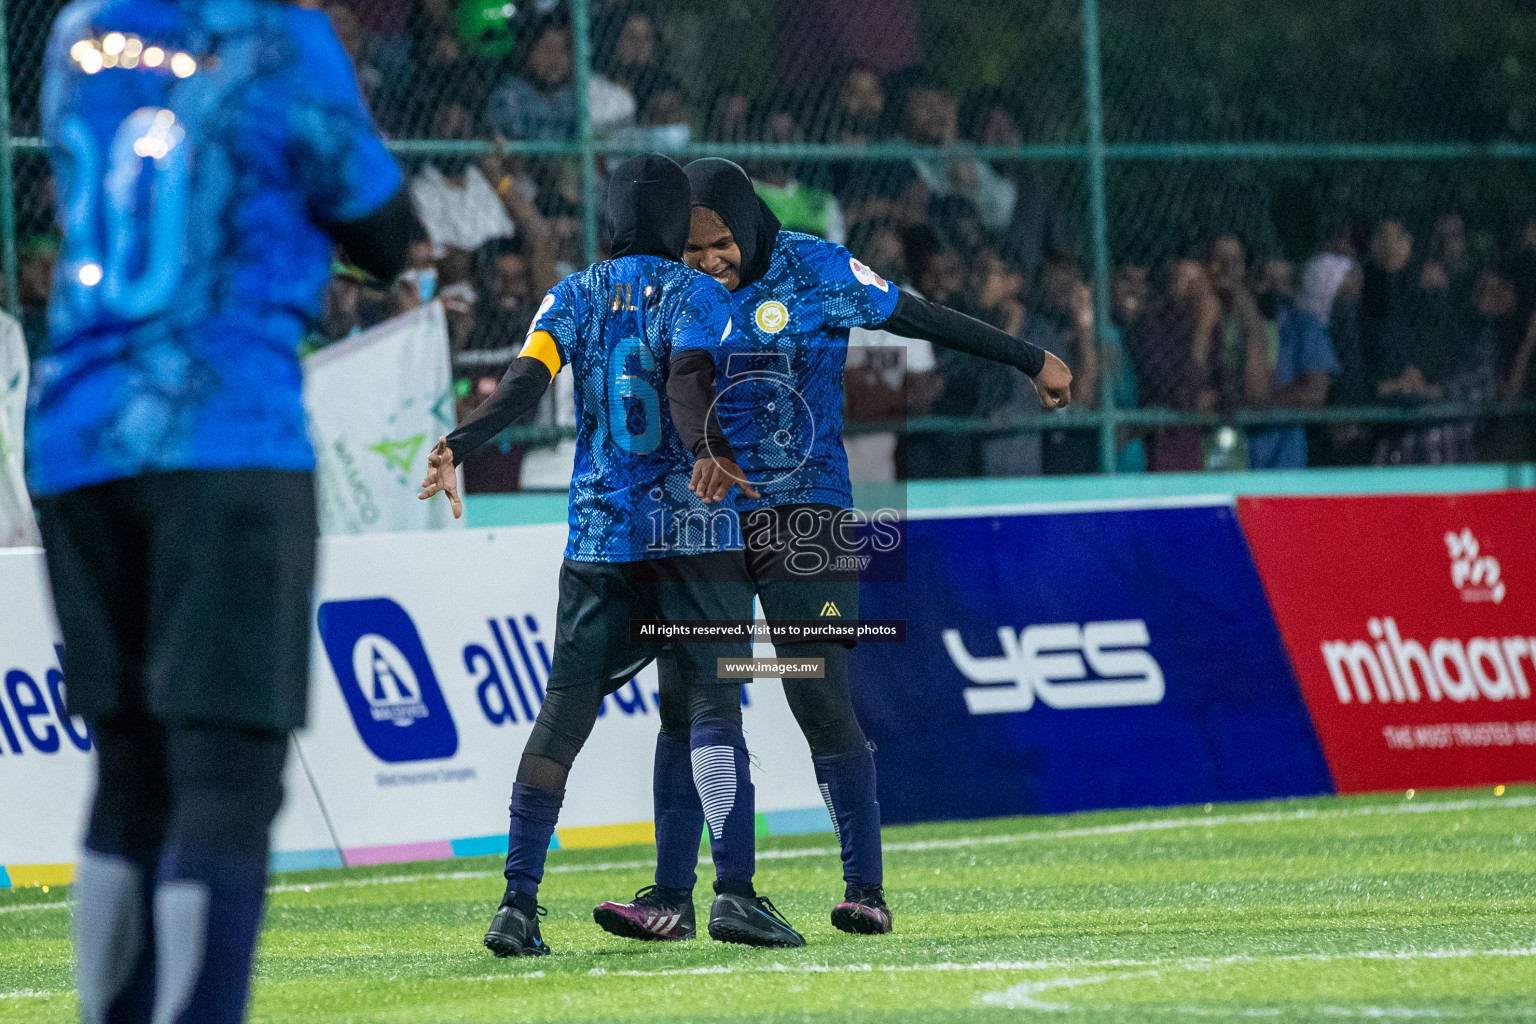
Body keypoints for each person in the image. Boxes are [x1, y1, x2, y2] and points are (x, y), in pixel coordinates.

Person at [33, 4, 411, 1022]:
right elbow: (384, 232)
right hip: (221, 430)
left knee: (130, 777)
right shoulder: (277, 36)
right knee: (226, 779)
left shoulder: (78, 27)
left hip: (77, 436)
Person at [589, 158, 1070, 942]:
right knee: (687, 698)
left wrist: (1028, 358)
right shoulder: (674, 290)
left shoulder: (814, 267)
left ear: (746, 224)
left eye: (719, 245)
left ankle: (865, 891)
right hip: (704, 516)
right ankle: (671, 898)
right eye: (692, 249)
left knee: (814, 690)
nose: (708, 262)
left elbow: (916, 316)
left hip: (806, 510)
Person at [417, 154, 792, 955]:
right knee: (710, 711)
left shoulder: (573, 295)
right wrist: (705, 446)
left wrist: (458, 442)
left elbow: (522, 385)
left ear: (612, 218)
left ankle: (517, 903)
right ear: (670, 221)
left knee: (562, 717)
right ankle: (734, 893)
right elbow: (690, 377)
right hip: (691, 536)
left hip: (598, 538)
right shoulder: (695, 292)